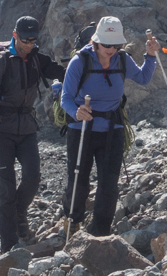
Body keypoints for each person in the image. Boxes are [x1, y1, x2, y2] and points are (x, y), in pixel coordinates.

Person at [59, 16, 157, 238]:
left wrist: (150, 56)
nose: (111, 49)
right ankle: (73, 220)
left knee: (109, 183)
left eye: (116, 45)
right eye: (106, 45)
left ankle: (100, 232)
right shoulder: (80, 62)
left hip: (112, 129)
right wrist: (76, 112)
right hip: (81, 129)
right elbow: (66, 98)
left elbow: (143, 78)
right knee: (79, 181)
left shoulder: (122, 60)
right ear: (96, 42)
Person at [0, 15, 66, 252]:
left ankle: (18, 213)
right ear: (15, 35)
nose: (28, 45)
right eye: (25, 40)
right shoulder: (1, 62)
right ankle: (8, 246)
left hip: (27, 127)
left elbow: (61, 72)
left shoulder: (37, 58)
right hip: (1, 131)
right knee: (6, 189)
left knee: (33, 177)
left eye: (33, 40)